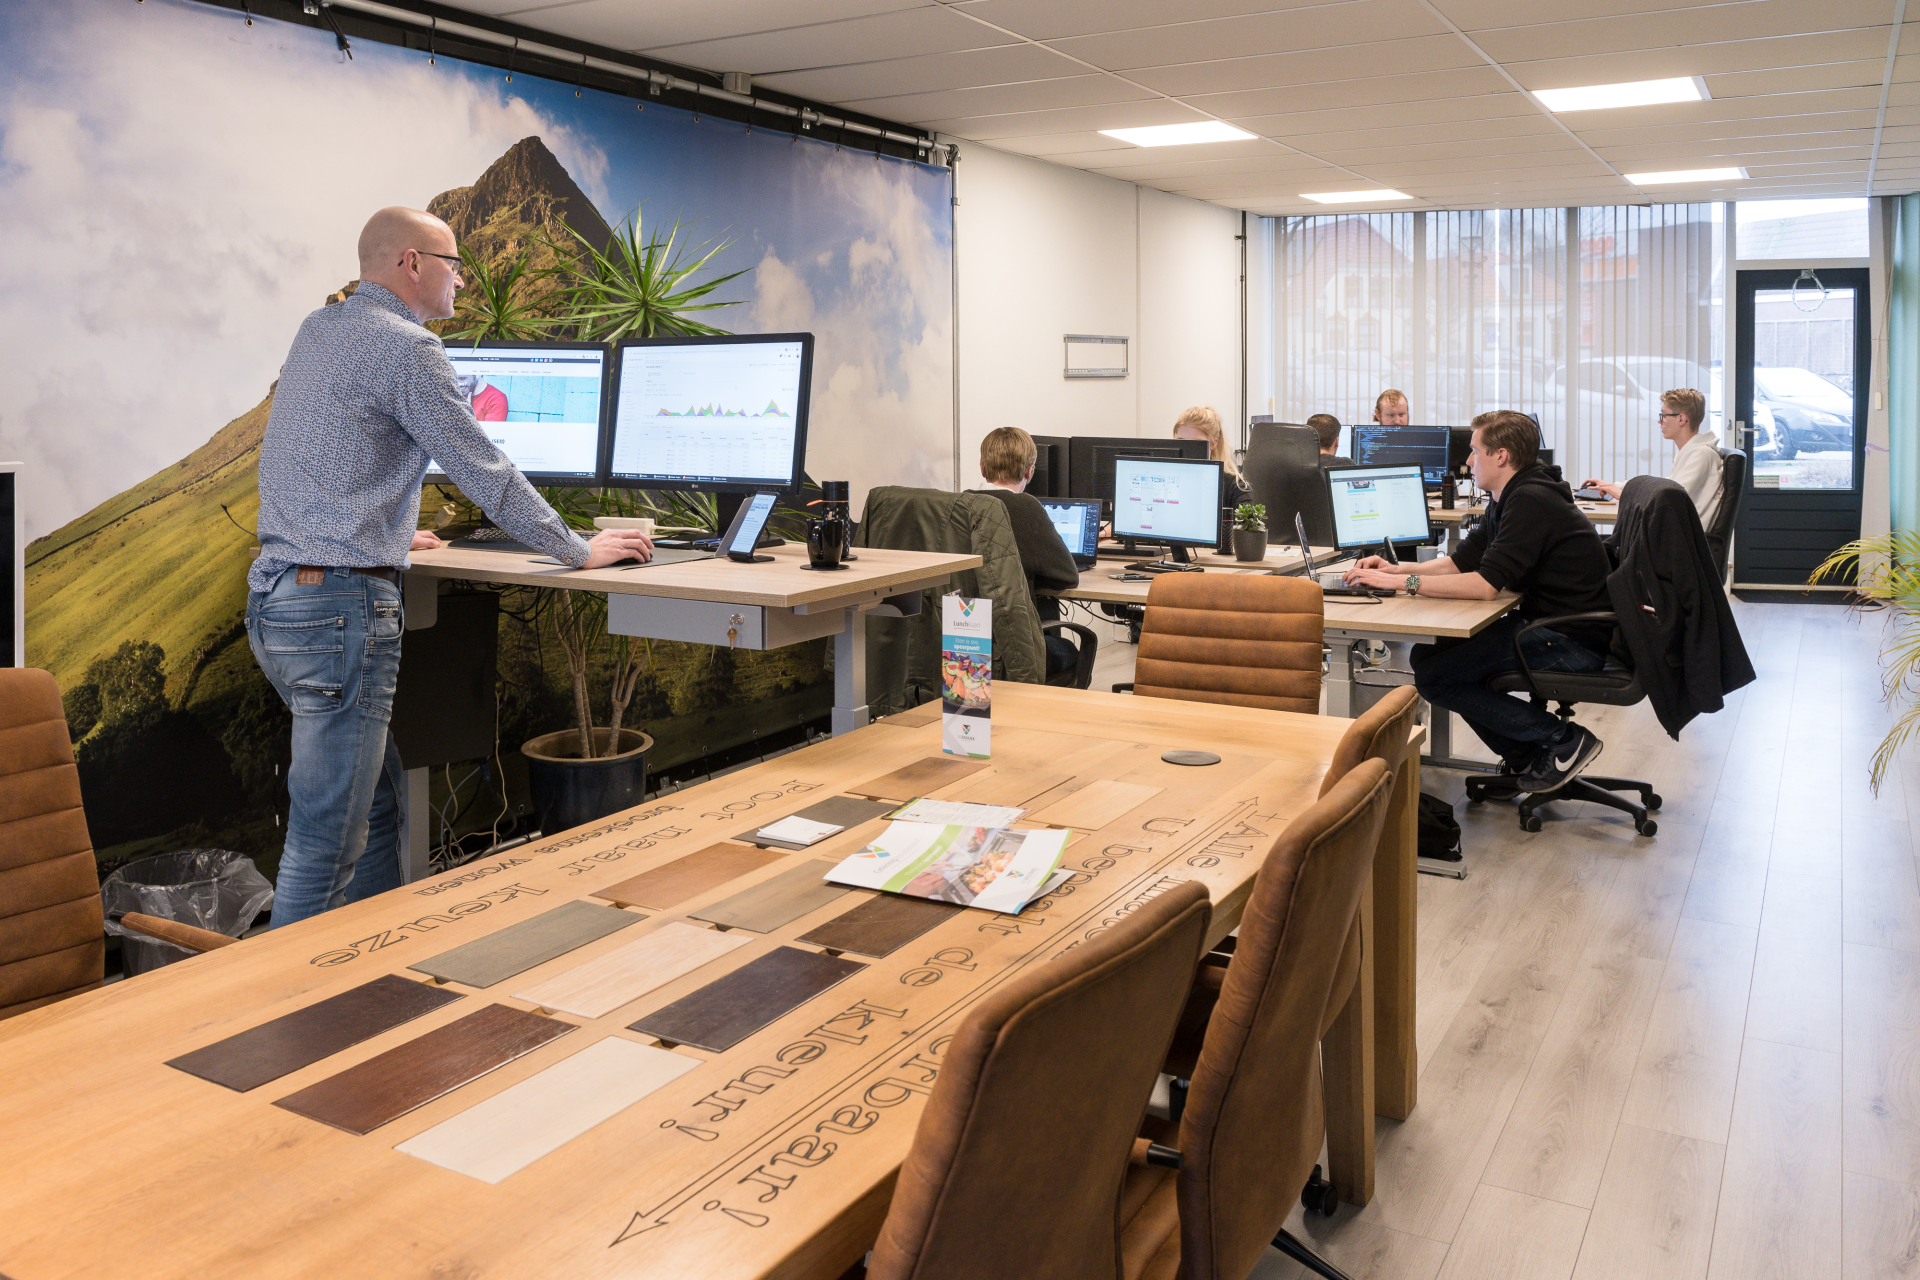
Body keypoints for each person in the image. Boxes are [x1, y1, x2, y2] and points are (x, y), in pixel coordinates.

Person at [248, 206, 655, 928]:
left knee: (376, 801)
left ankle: (377, 955)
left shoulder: (320, 328)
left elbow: (313, 451)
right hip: (339, 616)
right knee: (325, 845)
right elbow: (483, 469)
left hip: (278, 602)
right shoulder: (409, 349)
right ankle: (287, 996)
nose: (463, 280)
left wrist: (383, 532)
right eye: (453, 263)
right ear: (412, 264)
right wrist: (576, 548)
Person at [1344, 409, 1613, 794]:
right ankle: (1530, 759)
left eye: (1474, 451)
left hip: (1571, 641)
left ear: (1501, 456)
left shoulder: (1532, 500)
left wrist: (1404, 584)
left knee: (1436, 676)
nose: (1468, 461)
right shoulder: (1511, 495)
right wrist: (1395, 569)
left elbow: (1485, 585)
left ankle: (1562, 740)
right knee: (1427, 656)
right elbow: (1461, 562)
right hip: (1550, 626)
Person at [969, 426, 1080, 676]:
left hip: (966, 649)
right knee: (1068, 651)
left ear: (982, 468)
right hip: (1012, 649)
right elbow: (1067, 576)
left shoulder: (961, 503)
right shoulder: (1026, 508)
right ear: (1030, 472)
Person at [1580, 387, 1722, 524]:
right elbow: (1663, 486)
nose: (1660, 421)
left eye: (1664, 415)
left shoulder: (1702, 455)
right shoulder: (1690, 451)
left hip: (1680, 536)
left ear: (1681, 419)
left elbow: (1669, 500)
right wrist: (1614, 486)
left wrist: (1621, 495)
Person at [1172, 405, 1250, 536]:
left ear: (1213, 443)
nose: (1187, 450)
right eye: (1181, 442)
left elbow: (1247, 535)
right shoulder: (1168, 481)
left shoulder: (1235, 487)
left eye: (1195, 444)